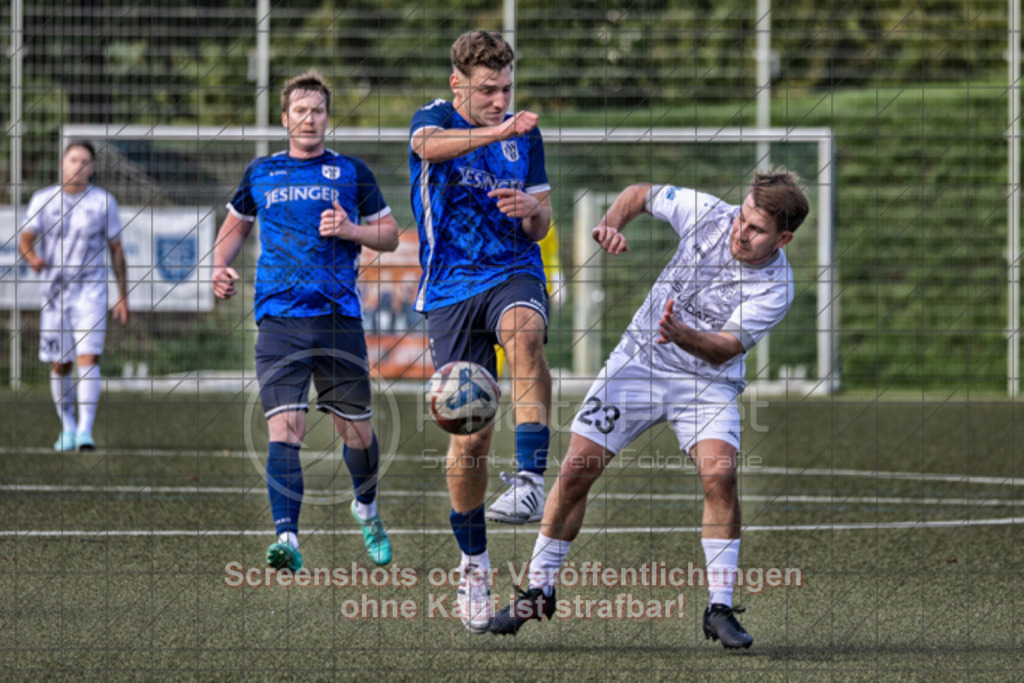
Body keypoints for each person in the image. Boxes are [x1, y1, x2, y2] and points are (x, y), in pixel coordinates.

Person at [490, 170, 810, 649]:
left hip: (707, 381)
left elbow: (724, 348)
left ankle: (718, 608)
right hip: (638, 363)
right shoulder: (710, 216)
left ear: (782, 238)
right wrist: (611, 222)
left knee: (720, 474)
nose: (740, 232)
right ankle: (538, 589)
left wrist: (683, 335)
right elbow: (640, 195)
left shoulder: (776, 287)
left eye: (756, 230)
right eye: (742, 217)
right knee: (577, 467)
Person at [212, 69, 400, 571]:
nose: (309, 119)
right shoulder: (261, 172)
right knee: (285, 429)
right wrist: (219, 264)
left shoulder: (351, 172)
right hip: (278, 319)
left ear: (327, 118)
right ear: (284, 118)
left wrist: (352, 229)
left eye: (317, 110)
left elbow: (390, 234)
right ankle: (288, 541)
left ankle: (367, 508)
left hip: (338, 318)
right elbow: (233, 229)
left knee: (355, 432)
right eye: (300, 111)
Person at [409, 29, 553, 633]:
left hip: (512, 270)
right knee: (468, 438)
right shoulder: (433, 120)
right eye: (487, 89)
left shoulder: (528, 135)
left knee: (524, 333)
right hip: (448, 288)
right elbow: (428, 147)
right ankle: (473, 564)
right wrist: (499, 130)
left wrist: (532, 214)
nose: (500, 99)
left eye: (506, 88)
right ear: (458, 84)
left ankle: (529, 480)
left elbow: (544, 219)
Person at [19, 140, 129, 452]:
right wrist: (32, 258)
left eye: (84, 161)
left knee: (89, 358)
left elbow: (116, 249)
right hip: (55, 296)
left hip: (91, 293)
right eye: (73, 159)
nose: (78, 165)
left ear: (91, 168)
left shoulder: (104, 202)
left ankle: (85, 431)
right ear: (62, 164)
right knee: (60, 363)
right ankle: (67, 426)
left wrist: (122, 295)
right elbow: (26, 238)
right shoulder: (44, 199)